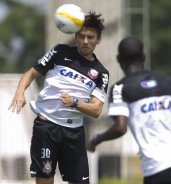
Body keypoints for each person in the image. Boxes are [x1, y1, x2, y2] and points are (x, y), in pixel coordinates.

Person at [8, 12, 109, 184]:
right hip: (46, 128)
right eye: (82, 36)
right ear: (76, 36)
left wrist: (75, 103)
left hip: (74, 133)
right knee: (45, 180)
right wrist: (19, 93)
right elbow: (31, 72)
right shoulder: (59, 51)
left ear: (98, 40)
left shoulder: (101, 73)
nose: (85, 41)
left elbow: (96, 109)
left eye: (90, 37)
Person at [87, 37, 171, 184]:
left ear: (119, 59)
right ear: (143, 57)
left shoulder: (120, 88)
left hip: (157, 167)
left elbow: (120, 128)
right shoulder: (168, 81)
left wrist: (96, 140)